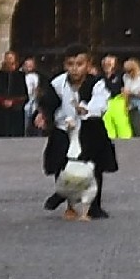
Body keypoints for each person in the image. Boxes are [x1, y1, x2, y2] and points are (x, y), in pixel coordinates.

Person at [36, 50, 117, 219]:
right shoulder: (58, 83)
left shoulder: (97, 83)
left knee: (94, 166)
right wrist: (43, 115)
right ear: (65, 65)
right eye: (70, 64)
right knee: (60, 163)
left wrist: (87, 109)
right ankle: (67, 199)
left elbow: (101, 102)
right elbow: (48, 102)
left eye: (79, 64)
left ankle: (94, 206)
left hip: (90, 127)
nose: (74, 69)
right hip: (64, 127)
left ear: (88, 65)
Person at [0, 51, 27, 137]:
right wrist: (3, 101)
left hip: (16, 112)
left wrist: (13, 102)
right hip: (1, 112)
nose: (9, 61)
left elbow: (24, 95)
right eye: (8, 59)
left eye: (11, 59)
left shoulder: (20, 76)